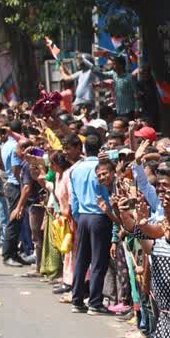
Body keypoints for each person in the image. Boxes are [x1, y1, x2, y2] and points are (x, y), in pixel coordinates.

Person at [68, 133, 114, 314]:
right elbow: (108, 196)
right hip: (99, 215)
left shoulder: (76, 168)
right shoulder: (102, 168)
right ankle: (95, 302)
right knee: (98, 260)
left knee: (81, 259)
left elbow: (74, 199)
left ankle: (77, 299)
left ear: (84, 148)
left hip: (83, 216)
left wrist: (77, 218)